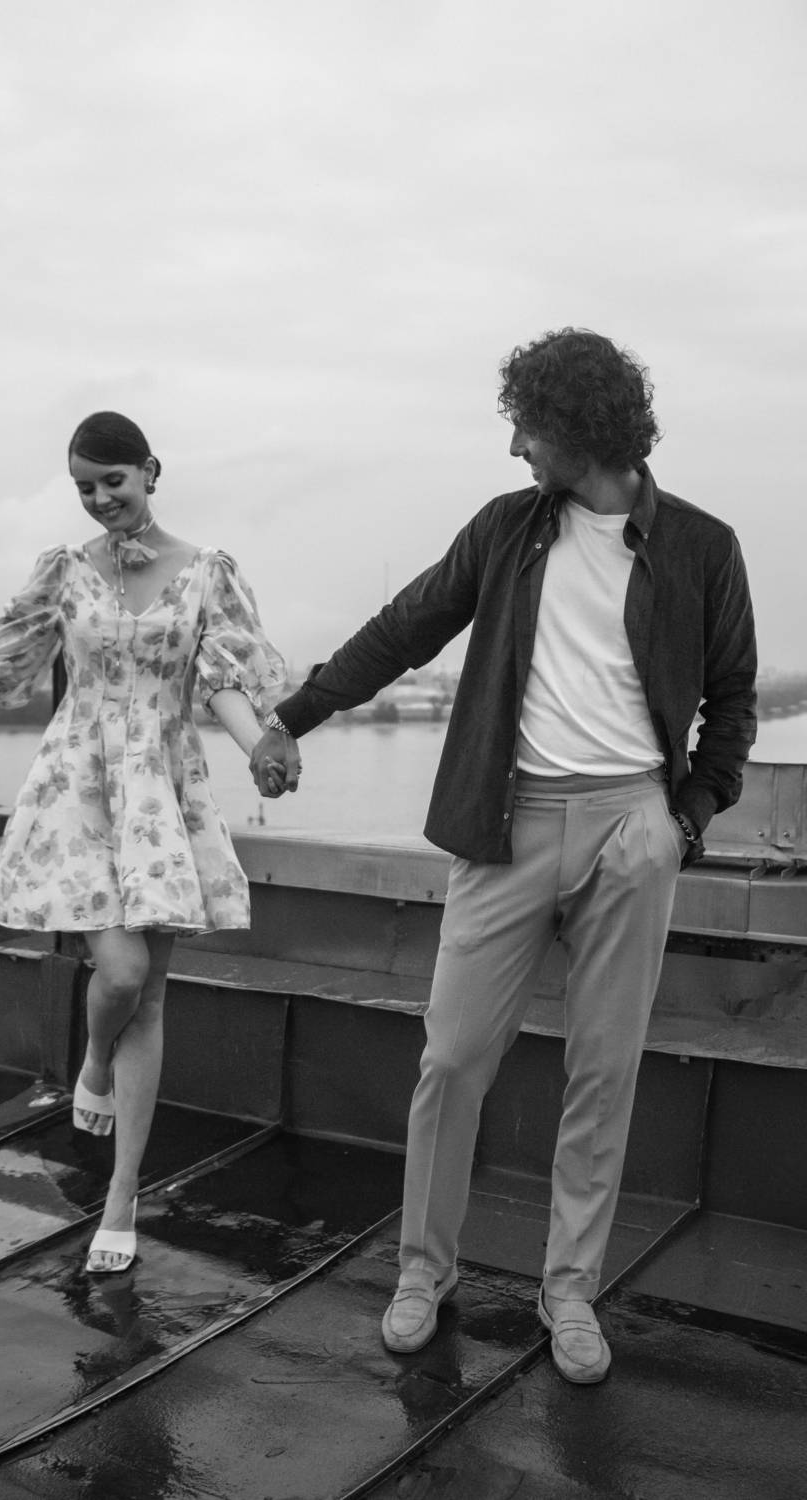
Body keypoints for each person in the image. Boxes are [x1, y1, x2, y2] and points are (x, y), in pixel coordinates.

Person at [252, 329, 757, 1382]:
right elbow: (403, 630)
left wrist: (684, 820)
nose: (515, 447)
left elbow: (733, 703)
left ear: (578, 429)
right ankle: (421, 1271)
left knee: (602, 1071)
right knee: (450, 1059)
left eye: (527, 428)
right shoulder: (504, 530)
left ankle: (568, 1290)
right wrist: (294, 717)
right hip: (504, 820)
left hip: (633, 827)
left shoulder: (703, 547)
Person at [0, 411, 291, 1273]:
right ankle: (95, 1056)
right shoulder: (64, 570)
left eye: (113, 481)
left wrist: (261, 748)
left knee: (153, 993)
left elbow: (221, 683)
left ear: (150, 471)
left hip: (163, 789)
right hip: (79, 786)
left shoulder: (206, 571)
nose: (100, 499)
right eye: (84, 487)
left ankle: (121, 1197)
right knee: (123, 973)